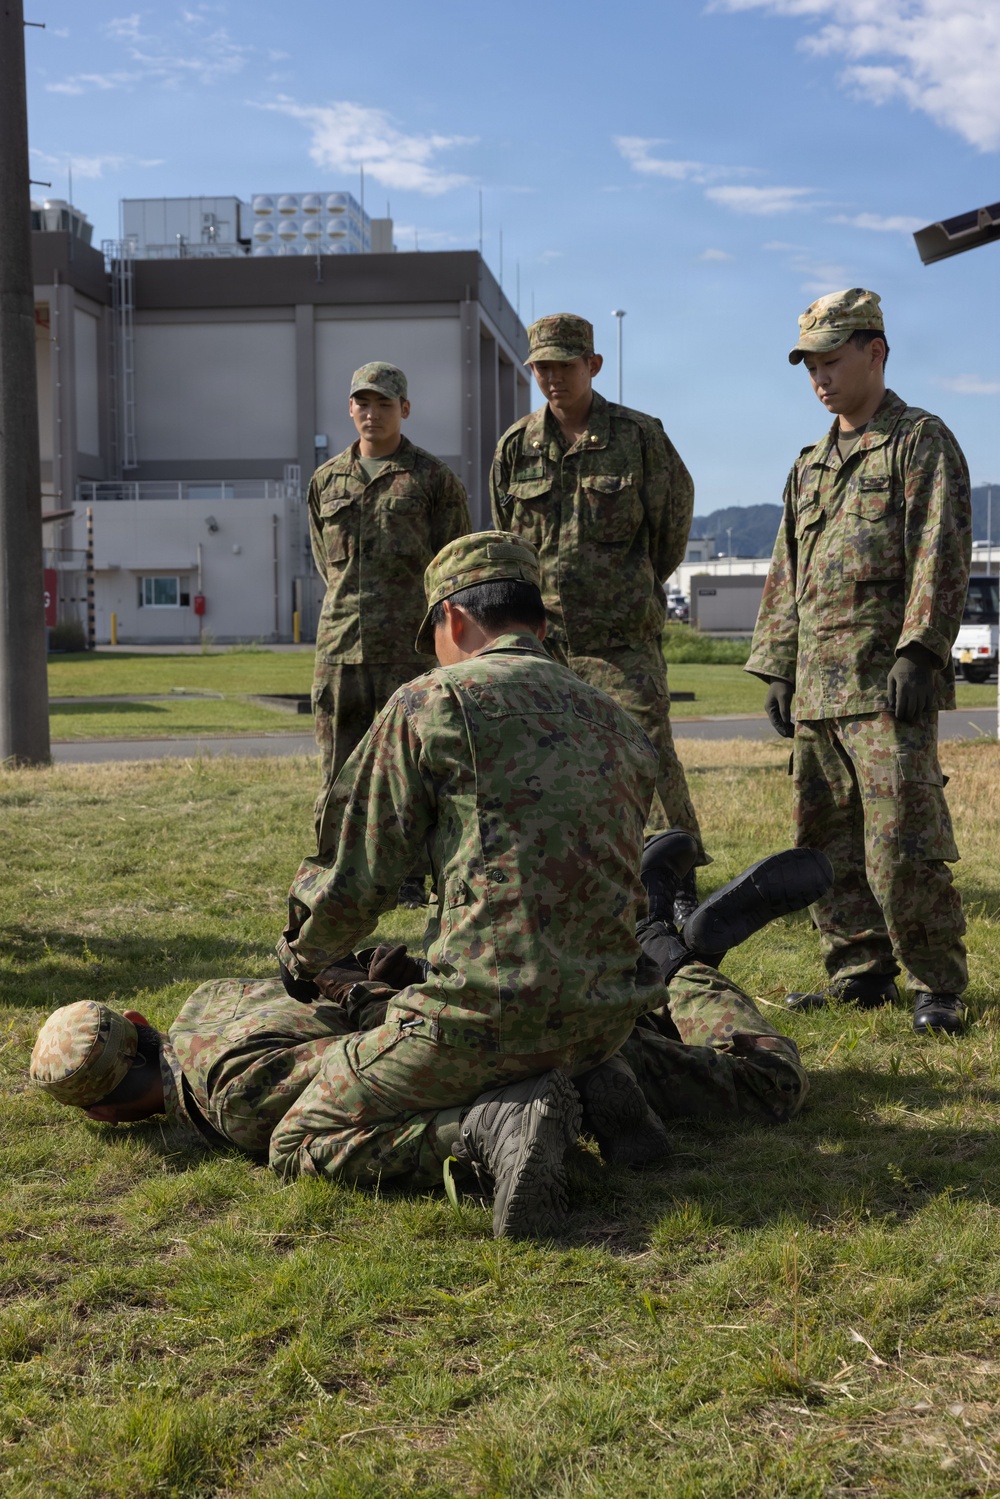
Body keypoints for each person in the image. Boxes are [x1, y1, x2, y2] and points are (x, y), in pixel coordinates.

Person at [28, 837, 825, 1197]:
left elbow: (378, 1070)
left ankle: (670, 951)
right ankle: (655, 927)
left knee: (765, 1084)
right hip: (492, 984)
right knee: (631, 1025)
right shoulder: (210, 999)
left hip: (495, 1034)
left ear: (105, 1109)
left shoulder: (232, 1094)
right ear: (138, 1017)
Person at [746, 288, 972, 1036]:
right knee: (826, 844)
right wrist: (778, 664)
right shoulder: (809, 465)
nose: (819, 377)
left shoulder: (919, 441)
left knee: (902, 842)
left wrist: (920, 649)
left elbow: (941, 551)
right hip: (818, 688)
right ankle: (858, 971)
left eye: (831, 360)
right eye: (809, 364)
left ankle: (936, 982)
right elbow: (787, 571)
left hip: (885, 687)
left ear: (876, 352)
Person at [490, 313, 708, 922]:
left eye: (565, 364)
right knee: (544, 759)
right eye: (542, 367)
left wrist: (627, 585)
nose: (553, 377)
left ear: (593, 365)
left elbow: (669, 530)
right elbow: (508, 541)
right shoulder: (515, 447)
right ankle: (567, 873)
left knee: (647, 750)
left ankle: (679, 873)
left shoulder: (639, 437)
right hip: (543, 640)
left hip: (621, 637)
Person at [308, 360, 471, 906]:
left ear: (404, 409)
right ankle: (334, 871)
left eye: (384, 403)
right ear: (350, 409)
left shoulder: (433, 480)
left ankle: (407, 878)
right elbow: (323, 563)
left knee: (411, 768)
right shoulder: (326, 481)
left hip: (410, 649)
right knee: (339, 767)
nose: (371, 413)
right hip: (341, 649)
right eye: (363, 402)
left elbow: (454, 565)